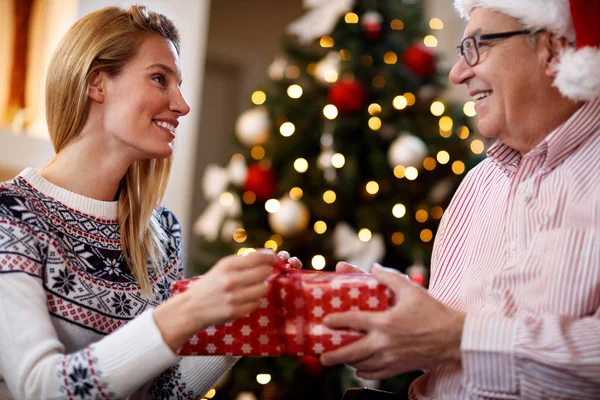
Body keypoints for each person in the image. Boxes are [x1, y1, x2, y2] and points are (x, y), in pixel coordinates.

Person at [0, 5, 300, 399]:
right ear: (97, 84)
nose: (182, 104)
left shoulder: (161, 233)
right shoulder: (11, 216)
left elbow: (162, 393)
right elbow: (39, 389)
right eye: (160, 79)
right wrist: (184, 313)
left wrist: (238, 320)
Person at [320, 0, 600, 398]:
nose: (457, 74)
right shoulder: (478, 185)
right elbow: (447, 347)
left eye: (477, 46)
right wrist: (393, 314)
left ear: (553, 49)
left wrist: (452, 336)